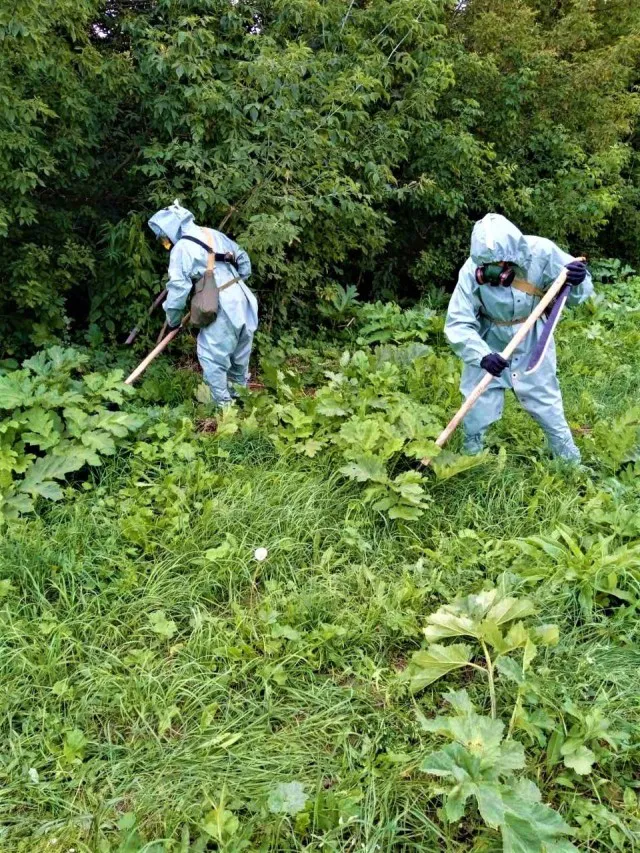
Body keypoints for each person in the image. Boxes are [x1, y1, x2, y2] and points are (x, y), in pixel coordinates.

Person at [444, 213, 593, 461]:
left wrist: (577, 281)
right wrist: (482, 356)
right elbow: (457, 322)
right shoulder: (471, 270)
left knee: (545, 400)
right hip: (488, 337)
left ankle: (569, 461)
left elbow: (578, 296)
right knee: (477, 404)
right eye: (488, 264)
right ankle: (471, 460)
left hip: (532, 337)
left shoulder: (543, 252)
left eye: (500, 262)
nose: (494, 269)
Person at [148, 201, 258, 405]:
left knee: (212, 356)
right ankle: (241, 401)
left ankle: (224, 409)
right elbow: (243, 259)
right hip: (244, 297)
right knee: (240, 356)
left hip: (222, 303)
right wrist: (235, 283)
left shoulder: (181, 248)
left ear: (170, 229)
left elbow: (178, 289)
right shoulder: (212, 234)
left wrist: (173, 321)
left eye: (164, 238)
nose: (166, 242)